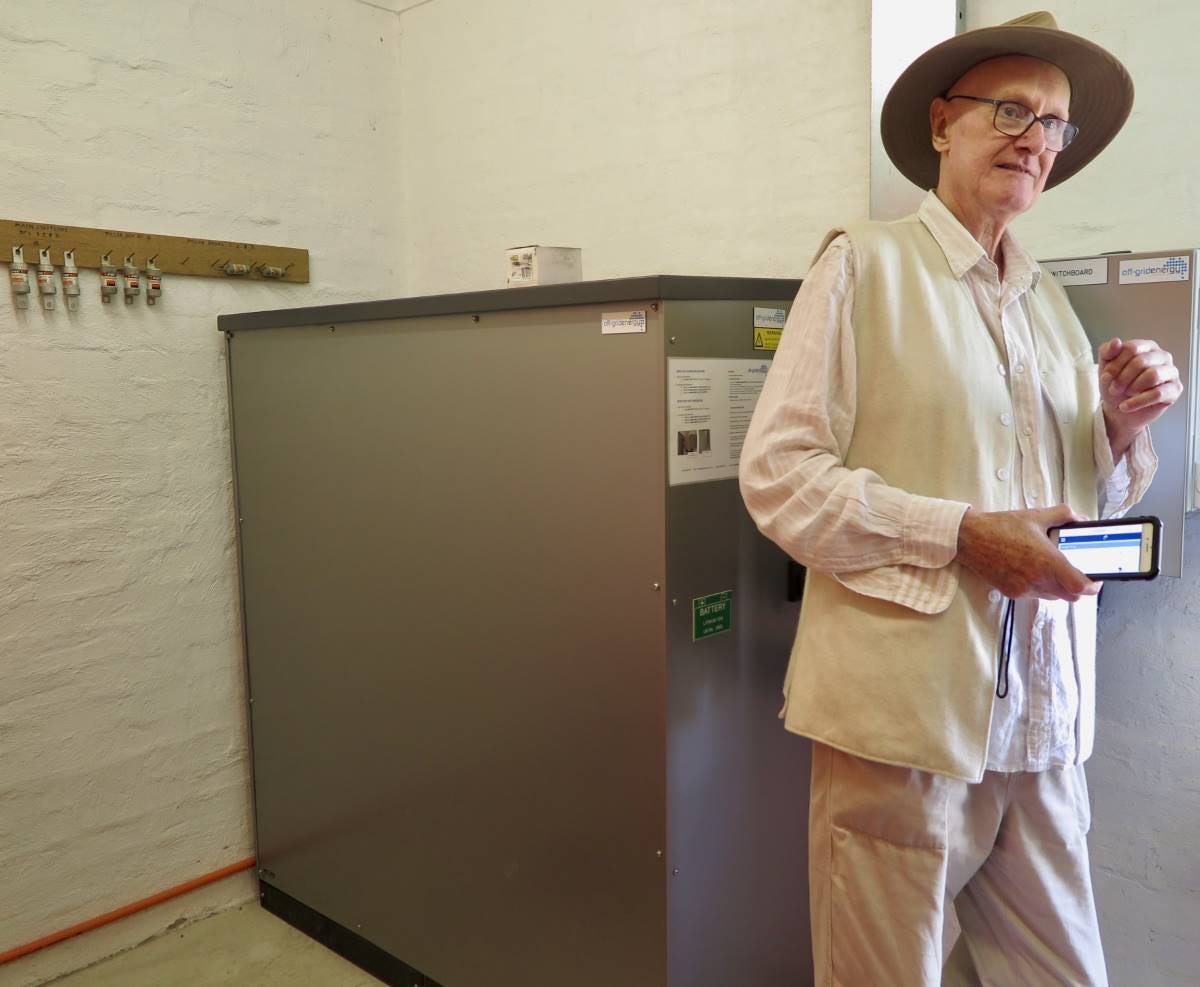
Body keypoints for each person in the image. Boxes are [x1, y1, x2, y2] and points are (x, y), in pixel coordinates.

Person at [739, 12, 1183, 986]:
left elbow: (1080, 499)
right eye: (1010, 110)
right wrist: (964, 536)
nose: (1035, 138)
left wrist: (1118, 426)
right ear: (944, 124)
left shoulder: (1048, 303)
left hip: (1043, 729)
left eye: (1053, 123)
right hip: (903, 734)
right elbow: (781, 478)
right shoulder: (862, 264)